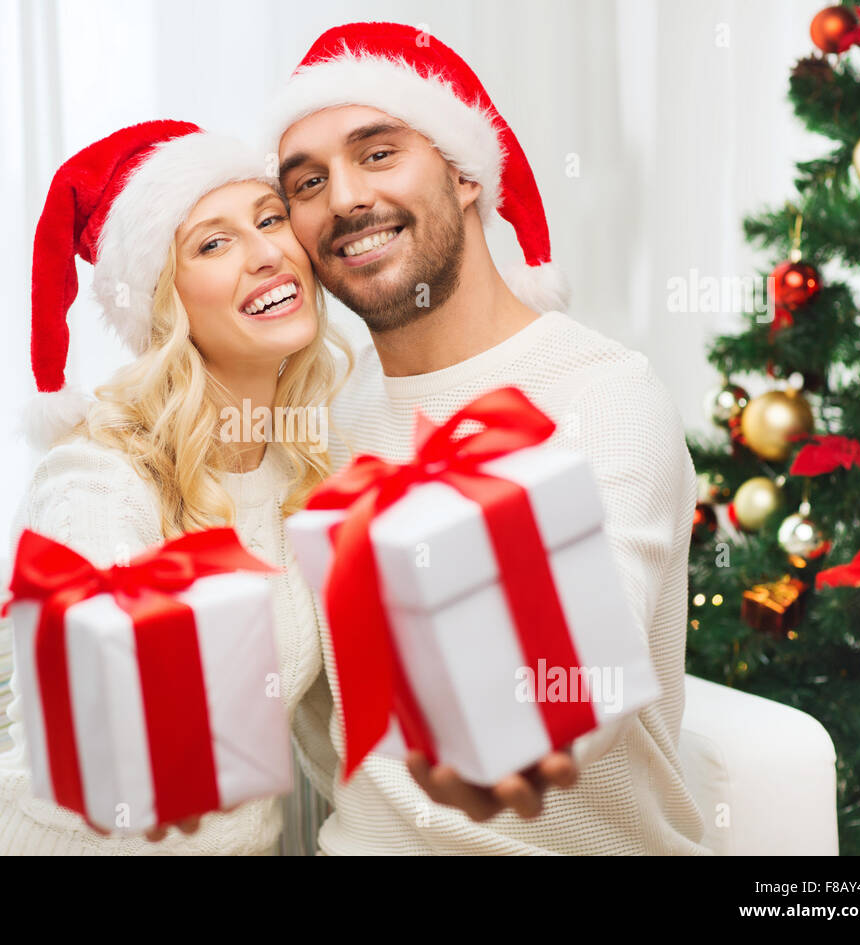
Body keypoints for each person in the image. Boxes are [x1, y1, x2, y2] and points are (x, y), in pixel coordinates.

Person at [270, 22, 711, 855]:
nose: (343, 200)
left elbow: (588, 662)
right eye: (306, 182)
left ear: (466, 174)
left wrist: (528, 736)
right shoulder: (325, 421)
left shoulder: (601, 393)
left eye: (377, 153)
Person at [0, 120, 350, 855]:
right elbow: (93, 712)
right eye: (213, 244)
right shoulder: (96, 474)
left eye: (270, 219)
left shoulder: (304, 464)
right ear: (163, 302)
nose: (266, 254)